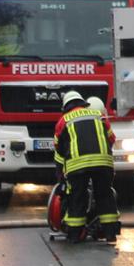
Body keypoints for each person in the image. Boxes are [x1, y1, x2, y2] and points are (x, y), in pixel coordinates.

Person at [54, 91, 118, 243]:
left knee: (77, 198)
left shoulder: (63, 121)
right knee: (105, 196)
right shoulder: (98, 115)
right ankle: (110, 234)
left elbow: (58, 149)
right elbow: (111, 138)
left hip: (77, 166)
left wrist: (60, 174)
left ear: (66, 107)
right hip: (104, 163)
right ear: (82, 103)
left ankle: (75, 235)